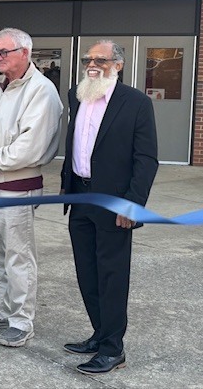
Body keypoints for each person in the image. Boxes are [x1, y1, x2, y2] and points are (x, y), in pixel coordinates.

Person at [61, 40, 158, 375]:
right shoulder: (78, 94)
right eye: (89, 58)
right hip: (79, 199)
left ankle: (113, 349)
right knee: (87, 273)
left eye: (101, 59)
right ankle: (100, 334)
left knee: (112, 277)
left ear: (118, 64)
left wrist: (132, 205)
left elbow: (146, 160)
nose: (93, 63)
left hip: (115, 205)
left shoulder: (136, 103)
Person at [0, 28, 63, 347]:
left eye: (5, 52)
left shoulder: (41, 91)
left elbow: (32, 144)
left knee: (17, 255)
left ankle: (21, 320)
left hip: (17, 186)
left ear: (25, 53)